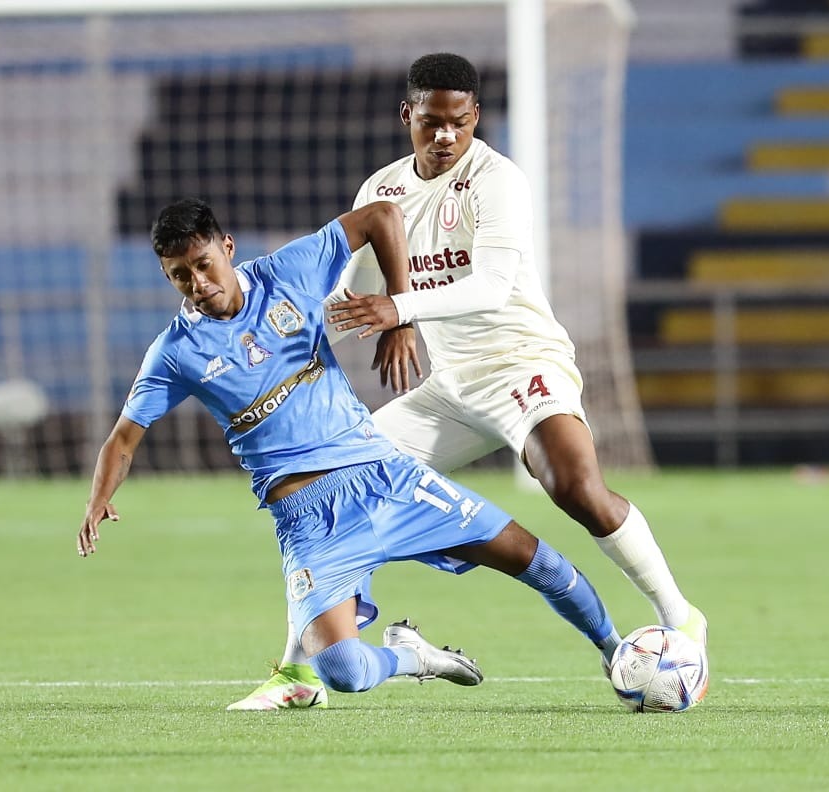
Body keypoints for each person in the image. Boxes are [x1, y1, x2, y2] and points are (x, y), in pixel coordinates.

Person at [229, 52, 707, 711]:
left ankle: (680, 616)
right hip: (449, 387)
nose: (446, 136)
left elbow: (489, 287)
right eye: (431, 123)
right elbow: (354, 297)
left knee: (573, 486)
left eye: (459, 122)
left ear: (475, 117)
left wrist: (401, 310)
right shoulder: (383, 191)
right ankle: (300, 674)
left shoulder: (497, 180)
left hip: (522, 363)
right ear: (408, 117)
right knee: (333, 481)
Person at [78, 197, 628, 708]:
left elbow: (382, 216)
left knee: (537, 561)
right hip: (309, 520)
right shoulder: (176, 352)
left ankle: (620, 653)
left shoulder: (286, 272)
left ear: (227, 248)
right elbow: (122, 439)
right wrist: (99, 499)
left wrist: (401, 312)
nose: (198, 284)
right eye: (180, 276)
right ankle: (411, 656)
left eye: (203, 264)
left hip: (383, 476)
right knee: (341, 668)